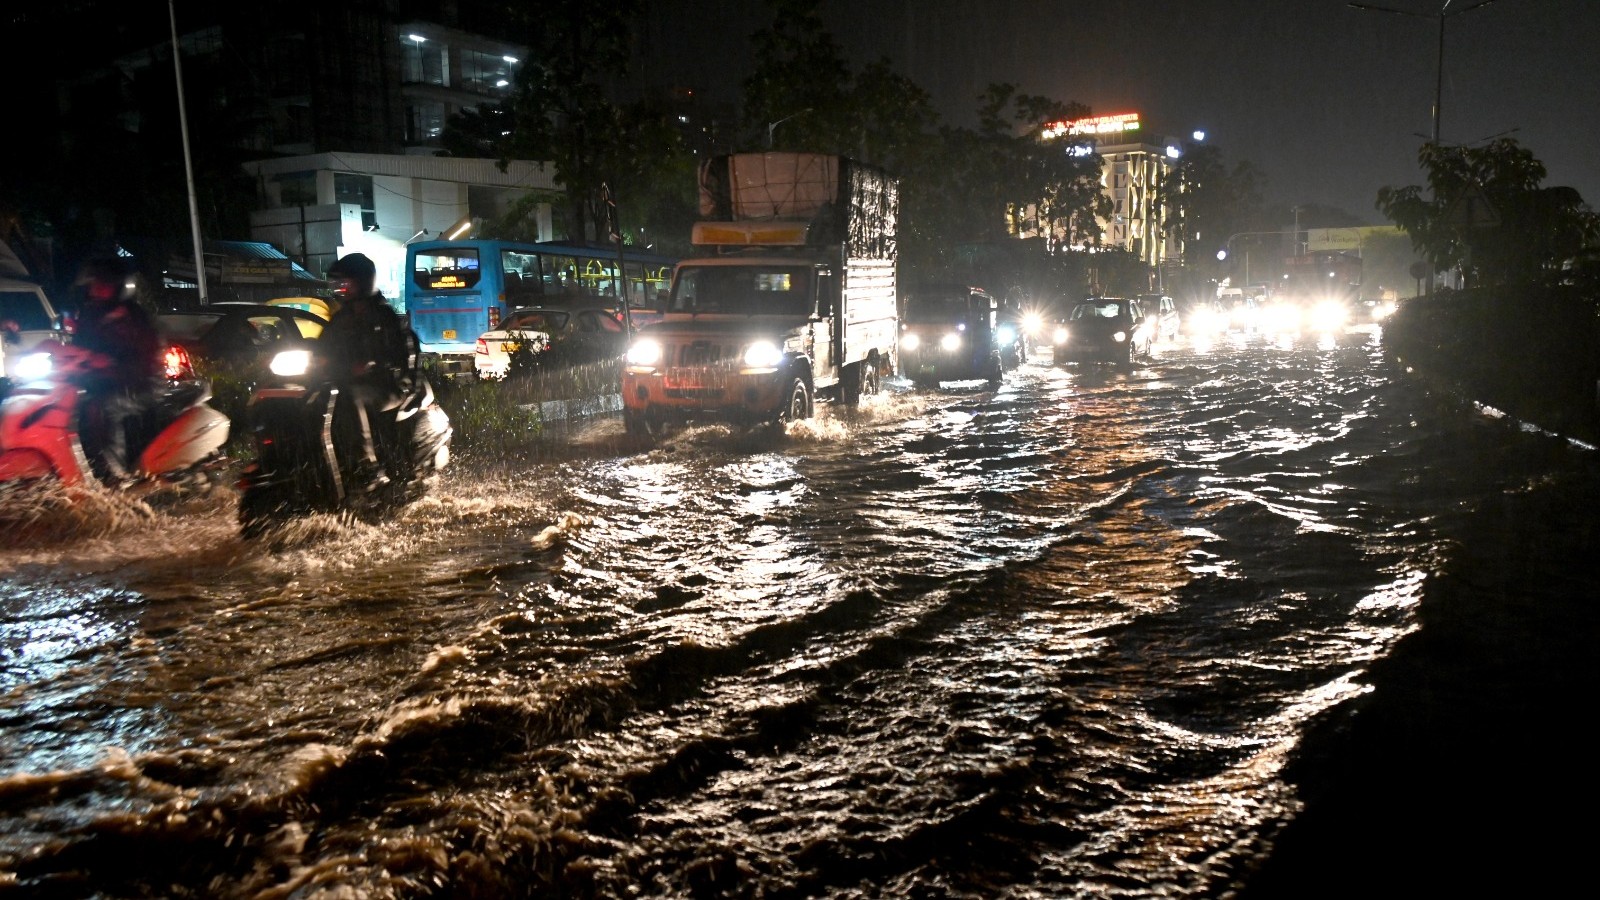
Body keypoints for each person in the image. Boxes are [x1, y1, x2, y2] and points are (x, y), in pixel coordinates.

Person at [318, 252, 415, 490]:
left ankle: (367, 467)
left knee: (351, 397)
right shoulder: (339, 319)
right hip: (342, 383)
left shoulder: (385, 317)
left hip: (385, 387)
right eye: (337, 283)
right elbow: (321, 347)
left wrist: (376, 365)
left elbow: (401, 354)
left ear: (361, 282)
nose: (340, 289)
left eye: (345, 283)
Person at [70, 256, 161, 483]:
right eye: (94, 283)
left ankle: (115, 476)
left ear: (119, 286)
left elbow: (147, 357)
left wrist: (114, 365)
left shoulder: (132, 317)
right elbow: (79, 347)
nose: (96, 288)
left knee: (104, 408)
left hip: (138, 384)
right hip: (102, 384)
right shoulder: (90, 314)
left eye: (103, 283)